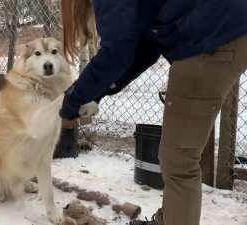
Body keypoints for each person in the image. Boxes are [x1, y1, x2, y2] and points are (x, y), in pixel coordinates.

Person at [58, 1, 247, 225]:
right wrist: (95, 93)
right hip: (224, 26)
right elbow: (146, 48)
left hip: (209, 39)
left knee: (180, 165)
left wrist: (71, 101)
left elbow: (118, 49)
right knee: (177, 160)